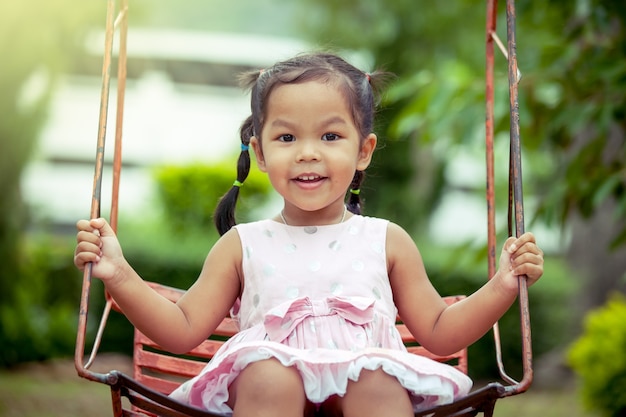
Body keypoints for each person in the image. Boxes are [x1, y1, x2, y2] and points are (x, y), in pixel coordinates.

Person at [74, 52, 544, 417]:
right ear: (258, 153)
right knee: (269, 375)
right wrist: (117, 274)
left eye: (330, 137)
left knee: (376, 379)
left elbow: (442, 334)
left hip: (364, 388)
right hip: (268, 391)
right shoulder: (243, 245)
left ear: (364, 151)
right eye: (286, 138)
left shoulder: (386, 240)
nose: (307, 154)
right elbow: (180, 330)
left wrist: (504, 283)